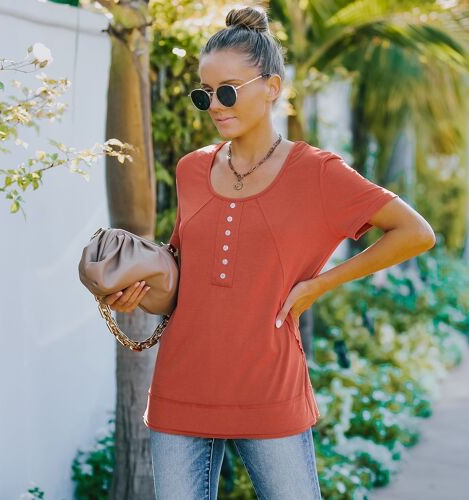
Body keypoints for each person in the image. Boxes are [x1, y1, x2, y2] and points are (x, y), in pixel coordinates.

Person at [103, 5, 436, 499]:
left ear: (272, 88)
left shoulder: (318, 173)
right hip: (180, 390)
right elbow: (178, 288)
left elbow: (415, 232)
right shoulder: (192, 170)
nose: (216, 104)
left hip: (268, 391)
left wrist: (319, 284)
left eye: (228, 91)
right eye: (205, 93)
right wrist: (138, 294)